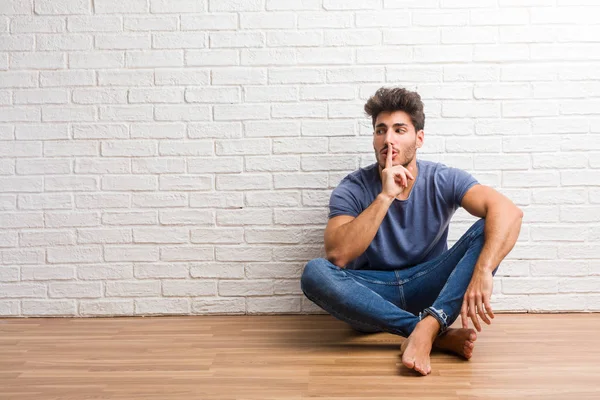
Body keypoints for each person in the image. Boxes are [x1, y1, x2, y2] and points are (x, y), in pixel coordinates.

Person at [300, 87, 523, 376]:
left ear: (419, 138)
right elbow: (338, 255)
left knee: (489, 227)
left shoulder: (442, 179)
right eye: (380, 130)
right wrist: (385, 196)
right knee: (314, 272)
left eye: (399, 130)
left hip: (428, 286)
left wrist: (484, 269)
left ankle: (430, 324)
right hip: (372, 298)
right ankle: (428, 331)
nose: (388, 139)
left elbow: (510, 212)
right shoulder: (353, 187)